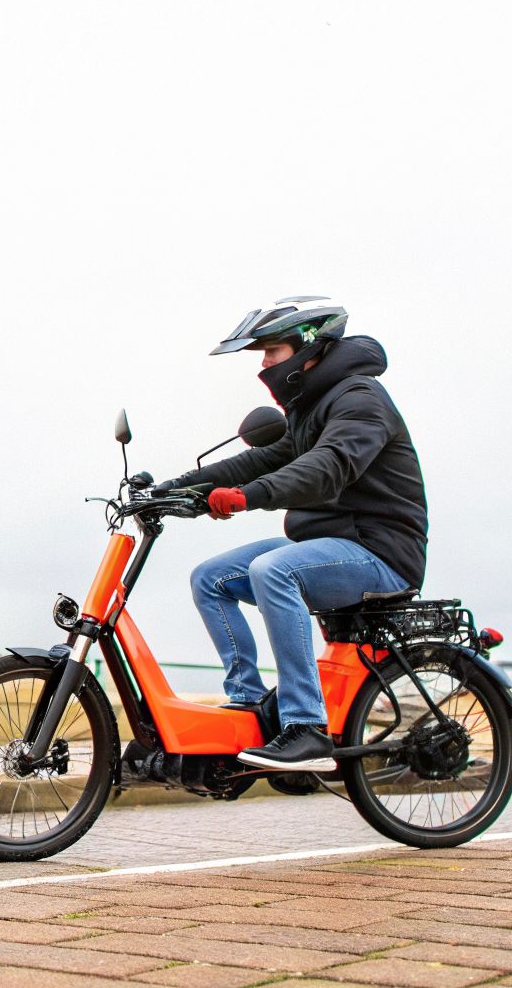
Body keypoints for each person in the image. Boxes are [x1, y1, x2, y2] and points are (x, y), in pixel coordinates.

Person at [157, 298, 428, 772]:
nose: (263, 365)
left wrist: (247, 497)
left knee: (272, 570)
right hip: (326, 548)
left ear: (309, 350)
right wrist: (170, 490)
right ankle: (250, 705)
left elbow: (329, 467)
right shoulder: (312, 408)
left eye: (272, 351)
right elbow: (260, 460)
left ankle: (307, 728)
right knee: (211, 577)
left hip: (378, 551)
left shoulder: (360, 399)